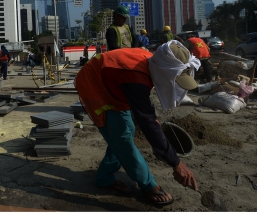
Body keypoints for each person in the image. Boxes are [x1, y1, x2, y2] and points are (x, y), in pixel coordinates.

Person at [74, 41, 200, 206]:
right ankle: (148, 185)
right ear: (165, 72)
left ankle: (104, 176)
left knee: (125, 130)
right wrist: (176, 163)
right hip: (94, 84)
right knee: (122, 135)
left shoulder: (153, 62)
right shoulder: (136, 77)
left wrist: (158, 136)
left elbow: (145, 111)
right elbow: (146, 118)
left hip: (112, 82)